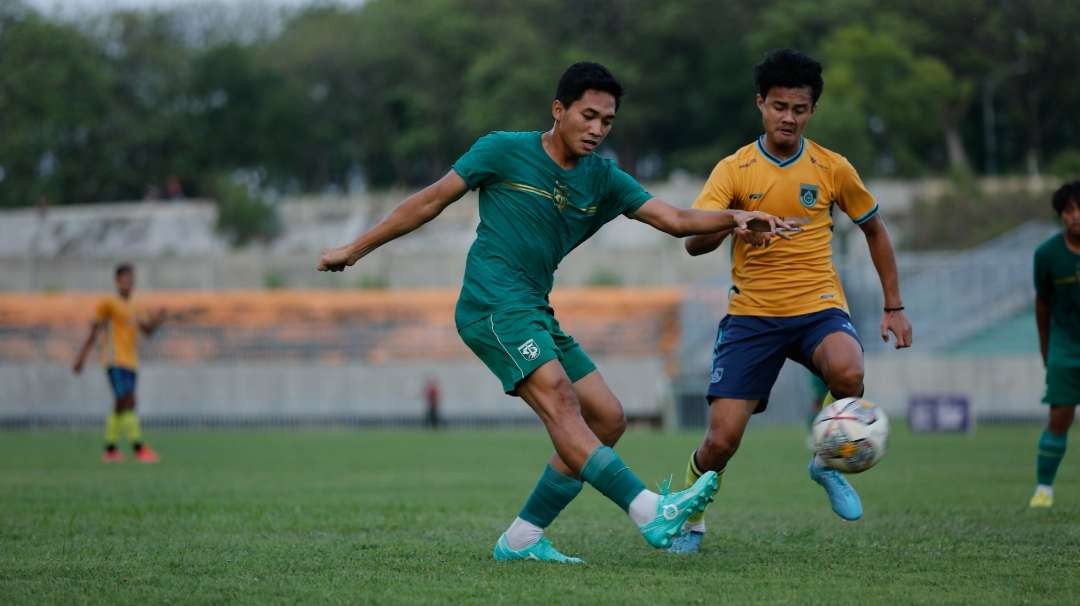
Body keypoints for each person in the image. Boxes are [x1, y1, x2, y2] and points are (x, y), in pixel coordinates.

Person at [317, 62, 793, 563]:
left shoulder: (605, 178)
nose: (597, 129)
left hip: (535, 309)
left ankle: (522, 538)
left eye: (607, 122)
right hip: (492, 304)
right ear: (558, 110)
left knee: (607, 418)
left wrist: (735, 217)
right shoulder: (503, 149)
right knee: (563, 403)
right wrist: (354, 249)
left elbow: (675, 220)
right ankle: (651, 510)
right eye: (588, 116)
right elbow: (430, 201)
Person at [669, 49, 913, 554]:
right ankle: (689, 516)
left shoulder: (832, 167)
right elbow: (693, 241)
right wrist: (736, 219)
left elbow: (875, 229)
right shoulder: (734, 169)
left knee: (847, 370)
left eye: (799, 109)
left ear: (812, 112)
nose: (788, 117)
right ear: (760, 104)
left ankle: (825, 458)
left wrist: (894, 305)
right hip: (751, 316)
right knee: (721, 442)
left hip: (817, 306)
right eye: (779, 106)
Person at [73, 263, 166, 463]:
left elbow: (147, 331)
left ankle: (110, 449)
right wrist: (81, 357)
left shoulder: (135, 306)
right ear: (117, 281)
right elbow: (94, 330)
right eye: (124, 279)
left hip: (131, 361)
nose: (128, 282)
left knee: (120, 404)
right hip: (114, 360)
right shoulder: (108, 303)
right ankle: (139, 448)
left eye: (131, 279)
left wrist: (158, 319)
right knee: (129, 400)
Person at [1029, 181, 1080, 508]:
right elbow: (1043, 305)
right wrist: (1047, 349)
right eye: (1069, 211)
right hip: (1066, 345)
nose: (1076, 216)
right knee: (1060, 416)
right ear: (1061, 216)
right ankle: (1043, 489)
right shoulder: (1046, 255)